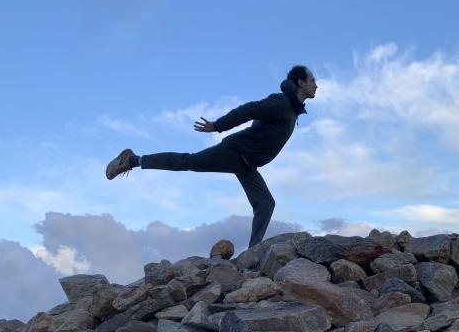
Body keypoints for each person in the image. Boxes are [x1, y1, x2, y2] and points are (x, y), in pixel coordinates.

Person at [105, 65, 317, 248]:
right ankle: (131, 160)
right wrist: (217, 126)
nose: (316, 85)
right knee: (187, 161)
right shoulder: (281, 104)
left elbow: (259, 122)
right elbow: (250, 109)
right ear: (300, 83)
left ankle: (255, 252)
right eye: (312, 80)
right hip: (234, 153)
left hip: (247, 165)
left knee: (266, 204)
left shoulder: (290, 109)